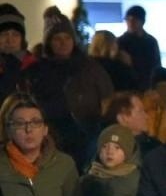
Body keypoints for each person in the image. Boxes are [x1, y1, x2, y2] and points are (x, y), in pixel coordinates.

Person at [27, 16, 113, 162]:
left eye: (67, 38)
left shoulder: (89, 67)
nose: (63, 43)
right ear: (49, 42)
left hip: (87, 133)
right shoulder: (38, 71)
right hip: (51, 134)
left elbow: (107, 98)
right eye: (57, 38)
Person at [118, 4, 163, 91]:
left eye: (134, 20)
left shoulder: (151, 42)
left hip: (148, 86)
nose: (130, 23)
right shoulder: (121, 42)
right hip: (127, 86)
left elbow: (156, 66)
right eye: (128, 20)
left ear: (142, 22)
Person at [0, 7, 36, 102]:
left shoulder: (35, 67)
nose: (10, 40)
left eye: (15, 34)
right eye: (4, 34)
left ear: (22, 39)